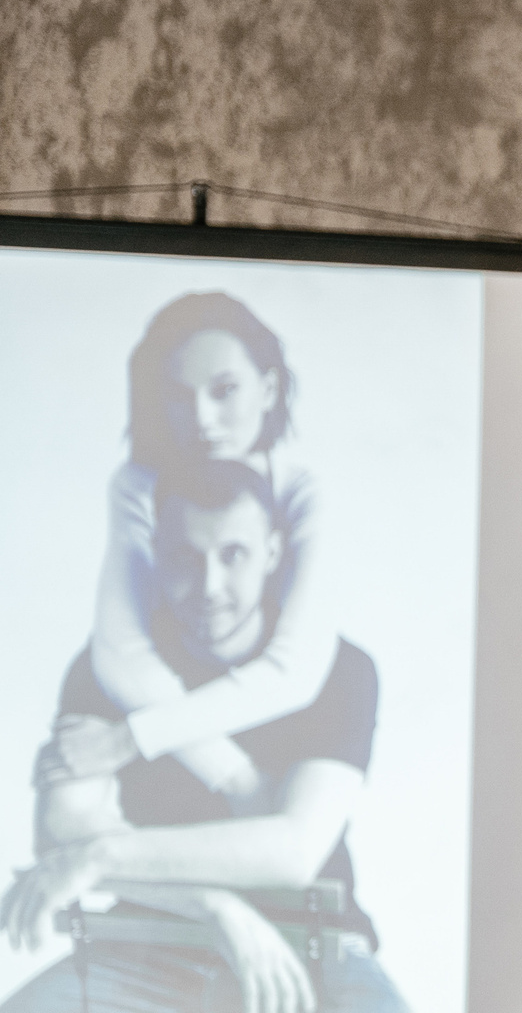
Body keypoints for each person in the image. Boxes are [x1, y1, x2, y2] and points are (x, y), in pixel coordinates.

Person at [0, 457, 428, 1013]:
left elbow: (292, 852)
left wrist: (102, 855)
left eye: (234, 555)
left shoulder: (341, 669)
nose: (208, 587)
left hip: (314, 950)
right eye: (183, 558)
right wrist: (215, 907)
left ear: (275, 551)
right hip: (140, 947)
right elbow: (64, 830)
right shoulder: (104, 666)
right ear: (153, 551)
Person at [41, 292, 334, 805]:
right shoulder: (136, 488)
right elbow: (122, 657)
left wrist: (131, 738)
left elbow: (296, 670)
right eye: (178, 395)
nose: (201, 419)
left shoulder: (301, 492)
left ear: (268, 389)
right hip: (177, 725)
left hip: (272, 722)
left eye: (224, 390)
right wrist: (237, 781)